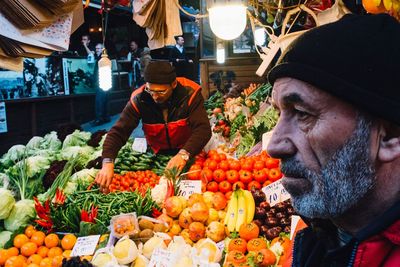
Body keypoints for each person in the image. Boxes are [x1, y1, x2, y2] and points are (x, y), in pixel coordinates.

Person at [266, 14, 400, 266]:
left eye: (303, 113)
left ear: (390, 137)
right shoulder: (315, 236)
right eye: (279, 112)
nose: (274, 146)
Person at [95, 61, 211, 189]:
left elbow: (203, 129)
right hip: (158, 154)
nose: (155, 96)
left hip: (189, 151)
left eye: (161, 92)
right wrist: (107, 162)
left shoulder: (190, 93)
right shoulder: (139, 98)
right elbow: (118, 132)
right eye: (150, 90)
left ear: (173, 84)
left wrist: (183, 154)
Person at [92, 43, 110, 126]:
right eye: (96, 49)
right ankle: (105, 117)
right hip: (105, 81)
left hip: (102, 81)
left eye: (98, 49)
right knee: (104, 100)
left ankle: (99, 119)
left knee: (99, 100)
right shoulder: (104, 58)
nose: (97, 50)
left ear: (103, 49)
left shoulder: (102, 59)